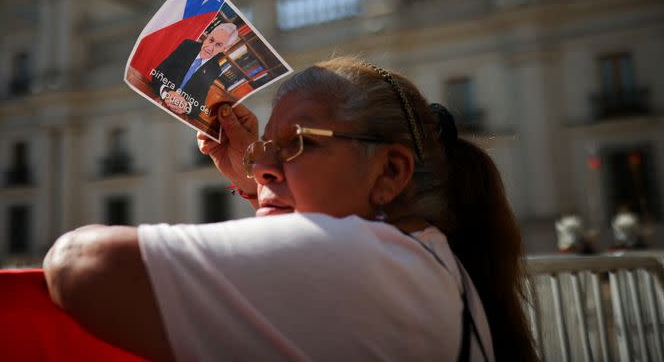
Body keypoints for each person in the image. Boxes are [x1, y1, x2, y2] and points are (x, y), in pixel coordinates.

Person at [44, 57, 537, 361]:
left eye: (298, 141)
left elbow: (82, 263)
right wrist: (264, 180)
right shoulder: (421, 255)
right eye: (265, 149)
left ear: (391, 172)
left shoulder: (362, 258)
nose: (263, 169)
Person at [149, 23, 239, 118]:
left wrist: (186, 107)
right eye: (211, 40)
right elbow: (158, 72)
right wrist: (166, 93)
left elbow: (199, 104)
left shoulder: (215, 70)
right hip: (156, 98)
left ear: (225, 48)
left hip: (174, 115)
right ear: (208, 36)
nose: (209, 48)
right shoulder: (187, 46)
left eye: (218, 45)